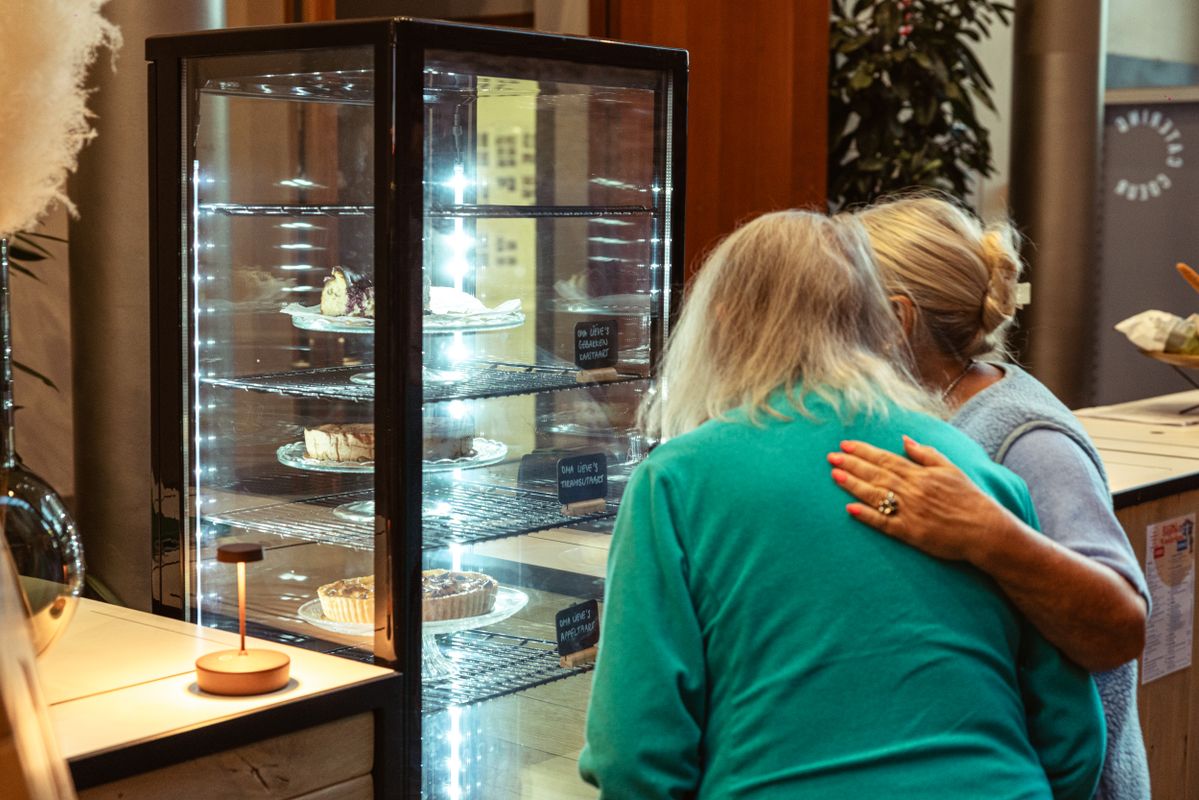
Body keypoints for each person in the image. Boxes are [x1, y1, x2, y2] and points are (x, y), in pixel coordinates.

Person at [578, 210, 1105, 799]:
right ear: (881, 324)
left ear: (722, 321)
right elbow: (1073, 735)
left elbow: (635, 751)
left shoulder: (676, 482)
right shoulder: (970, 468)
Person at [831, 194, 1149, 800]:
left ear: (896, 320)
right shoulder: (920, 410)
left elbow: (1120, 628)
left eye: (841, 302)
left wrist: (987, 534)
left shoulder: (1029, 439)